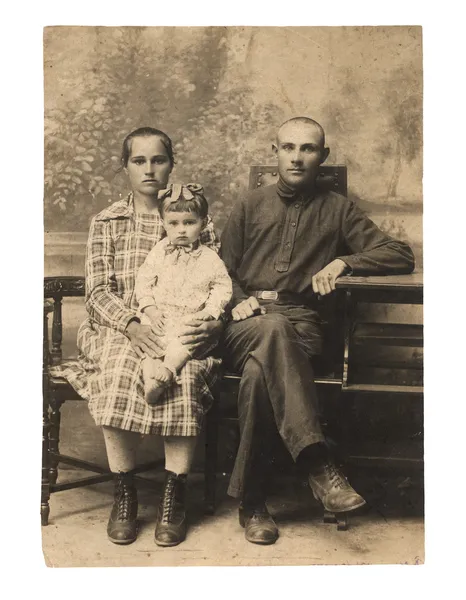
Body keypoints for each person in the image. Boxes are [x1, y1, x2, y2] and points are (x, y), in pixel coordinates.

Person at [220, 116, 415, 545]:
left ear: (322, 157)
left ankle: (252, 505)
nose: (297, 156)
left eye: (308, 149)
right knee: (268, 330)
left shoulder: (338, 209)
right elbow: (220, 270)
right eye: (288, 147)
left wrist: (344, 261)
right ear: (275, 153)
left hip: (302, 325)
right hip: (244, 322)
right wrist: (238, 300)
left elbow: (400, 253)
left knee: (258, 375)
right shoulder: (248, 205)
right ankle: (317, 462)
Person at [60, 127, 225, 547]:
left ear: (172, 163)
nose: (150, 169)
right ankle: (125, 490)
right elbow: (97, 292)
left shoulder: (194, 216)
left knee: (184, 375)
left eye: (159, 160)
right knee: (118, 371)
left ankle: (175, 492)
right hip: (119, 325)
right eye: (139, 161)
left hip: (181, 324)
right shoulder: (107, 221)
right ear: (126, 166)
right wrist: (133, 326)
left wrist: (209, 322)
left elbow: (216, 282)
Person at [134, 183, 232, 405]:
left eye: (189, 223)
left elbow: (222, 286)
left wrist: (210, 311)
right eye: (174, 223)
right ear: (163, 224)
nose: (181, 230)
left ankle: (169, 368)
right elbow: (144, 282)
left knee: (185, 341)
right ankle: (151, 380)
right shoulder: (159, 251)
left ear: (203, 223)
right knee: (150, 347)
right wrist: (151, 309)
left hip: (190, 317)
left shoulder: (209, 258)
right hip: (161, 315)